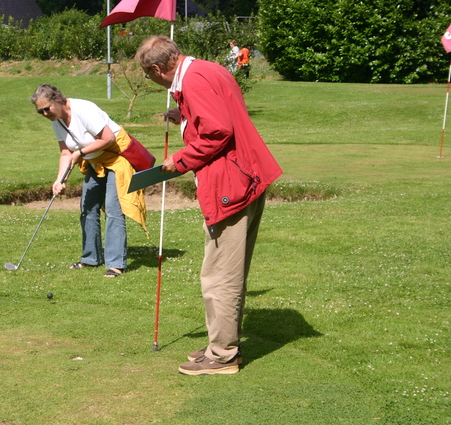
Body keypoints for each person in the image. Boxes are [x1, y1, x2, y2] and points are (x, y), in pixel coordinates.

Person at [136, 36, 283, 375]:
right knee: (225, 272)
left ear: (157, 68)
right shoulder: (206, 70)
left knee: (219, 275)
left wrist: (181, 159)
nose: (150, 80)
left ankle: (222, 355)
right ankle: (221, 342)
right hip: (245, 175)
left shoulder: (193, 80)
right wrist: (184, 115)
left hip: (231, 183)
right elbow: (218, 114)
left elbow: (218, 130)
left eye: (148, 75)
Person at [30, 84, 147, 278]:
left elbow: (108, 138)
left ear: (58, 100)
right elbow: (66, 152)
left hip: (118, 158)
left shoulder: (83, 109)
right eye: (39, 111)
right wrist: (59, 180)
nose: (44, 113)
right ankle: (91, 258)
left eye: (46, 108)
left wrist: (81, 153)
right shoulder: (56, 120)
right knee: (88, 207)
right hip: (95, 160)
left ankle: (116, 264)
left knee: (113, 209)